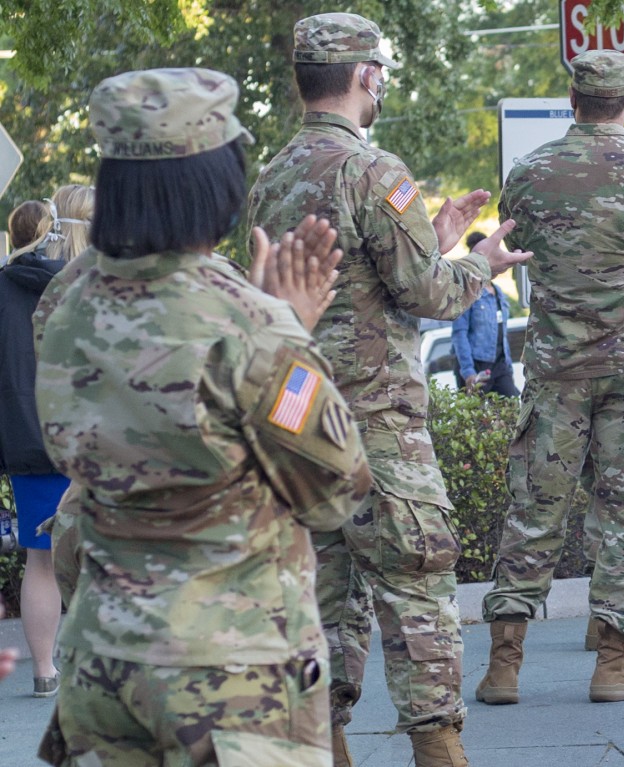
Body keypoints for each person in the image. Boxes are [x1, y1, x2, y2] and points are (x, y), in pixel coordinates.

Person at [33, 66, 370, 767]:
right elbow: (336, 490)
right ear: (218, 181)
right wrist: (292, 329)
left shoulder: (65, 305)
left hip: (102, 667)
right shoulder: (248, 323)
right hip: (230, 684)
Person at [248, 13, 529, 766]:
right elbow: (430, 294)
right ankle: (437, 746)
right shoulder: (374, 170)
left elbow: (355, 284)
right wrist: (481, 263)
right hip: (376, 419)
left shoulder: (272, 175)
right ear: (367, 75)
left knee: (321, 589)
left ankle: (323, 740)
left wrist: (430, 240)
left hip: (299, 415)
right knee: (417, 575)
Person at [477, 49, 624, 706]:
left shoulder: (529, 174)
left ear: (573, 99)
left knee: (534, 508)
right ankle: (613, 662)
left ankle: (504, 665)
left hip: (556, 367)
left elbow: (519, 241)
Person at [0, 184, 92, 698]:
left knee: (40, 557)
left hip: (28, 440)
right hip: (90, 441)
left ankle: (44, 671)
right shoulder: (86, 287)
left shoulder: (2, 287)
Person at [452, 232, 520, 398]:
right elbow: (459, 334)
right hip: (477, 365)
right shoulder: (467, 291)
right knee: (477, 418)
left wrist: (509, 366)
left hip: (500, 365)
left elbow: (502, 333)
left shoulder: (499, 293)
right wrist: (468, 372)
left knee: (512, 407)